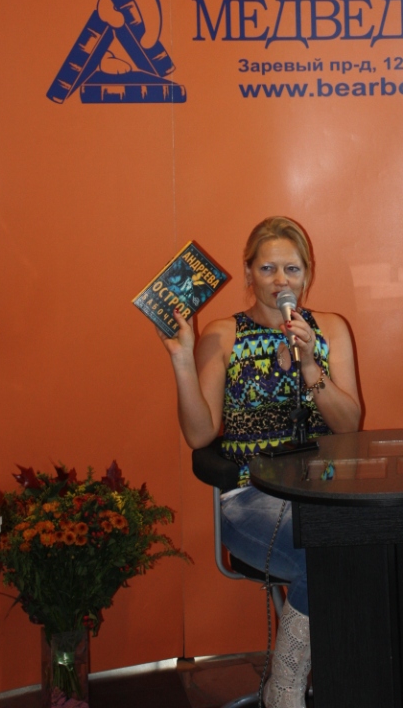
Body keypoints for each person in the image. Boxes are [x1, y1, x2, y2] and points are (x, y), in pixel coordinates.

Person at [160, 216, 361, 708]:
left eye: (291, 269)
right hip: (253, 497)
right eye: (267, 268)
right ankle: (285, 690)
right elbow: (199, 434)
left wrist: (310, 365)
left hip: (326, 493)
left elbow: (349, 425)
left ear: (307, 274)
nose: (280, 280)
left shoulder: (330, 329)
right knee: (325, 557)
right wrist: (183, 360)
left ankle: (358, 676)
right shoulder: (225, 334)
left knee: (373, 548)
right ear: (248, 272)